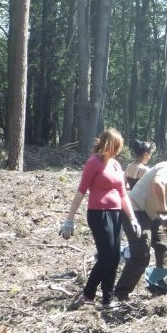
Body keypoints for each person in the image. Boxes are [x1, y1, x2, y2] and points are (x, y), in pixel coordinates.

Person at [59, 128, 141, 310]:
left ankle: (107, 299)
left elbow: (122, 194)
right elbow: (81, 190)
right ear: (108, 144)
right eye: (116, 146)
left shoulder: (116, 165)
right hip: (99, 214)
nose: (118, 150)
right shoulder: (93, 163)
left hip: (115, 214)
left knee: (114, 257)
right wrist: (69, 219)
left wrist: (132, 218)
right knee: (106, 256)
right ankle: (88, 294)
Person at [114, 158, 167, 300]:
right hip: (135, 211)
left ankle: (163, 289)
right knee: (141, 254)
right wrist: (162, 207)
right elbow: (157, 184)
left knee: (164, 248)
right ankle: (121, 293)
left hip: (154, 216)